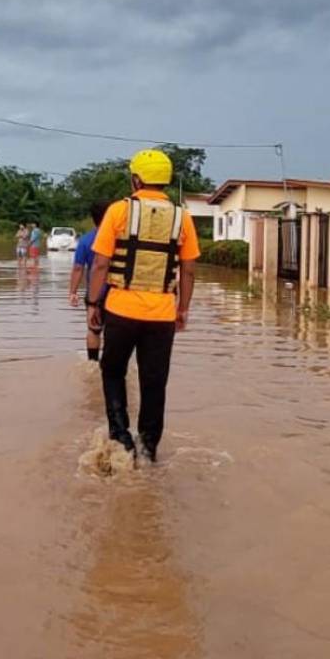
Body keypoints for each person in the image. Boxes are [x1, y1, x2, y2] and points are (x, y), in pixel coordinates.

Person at [86, 149, 200, 462]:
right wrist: (183, 309)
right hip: (162, 314)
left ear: (136, 179)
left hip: (121, 310)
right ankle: (148, 448)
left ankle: (121, 438)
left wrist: (94, 303)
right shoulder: (183, 217)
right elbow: (188, 270)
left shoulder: (118, 211)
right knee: (154, 381)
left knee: (112, 371)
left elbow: (100, 263)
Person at [69, 200, 112, 362]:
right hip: (119, 294)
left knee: (94, 330)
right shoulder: (121, 240)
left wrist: (72, 292)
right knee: (115, 333)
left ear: (93, 218)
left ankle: (92, 363)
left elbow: (78, 269)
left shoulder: (86, 241)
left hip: (95, 295)